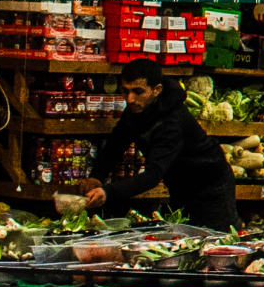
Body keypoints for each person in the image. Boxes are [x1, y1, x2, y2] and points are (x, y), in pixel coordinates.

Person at [94, 74, 239, 228]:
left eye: (138, 91)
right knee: (184, 234)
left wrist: (107, 192)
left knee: (214, 240)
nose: (130, 98)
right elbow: (116, 143)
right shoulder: (136, 109)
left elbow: (153, 175)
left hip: (211, 186)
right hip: (181, 184)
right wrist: (97, 176)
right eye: (125, 91)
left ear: (156, 90)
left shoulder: (172, 121)